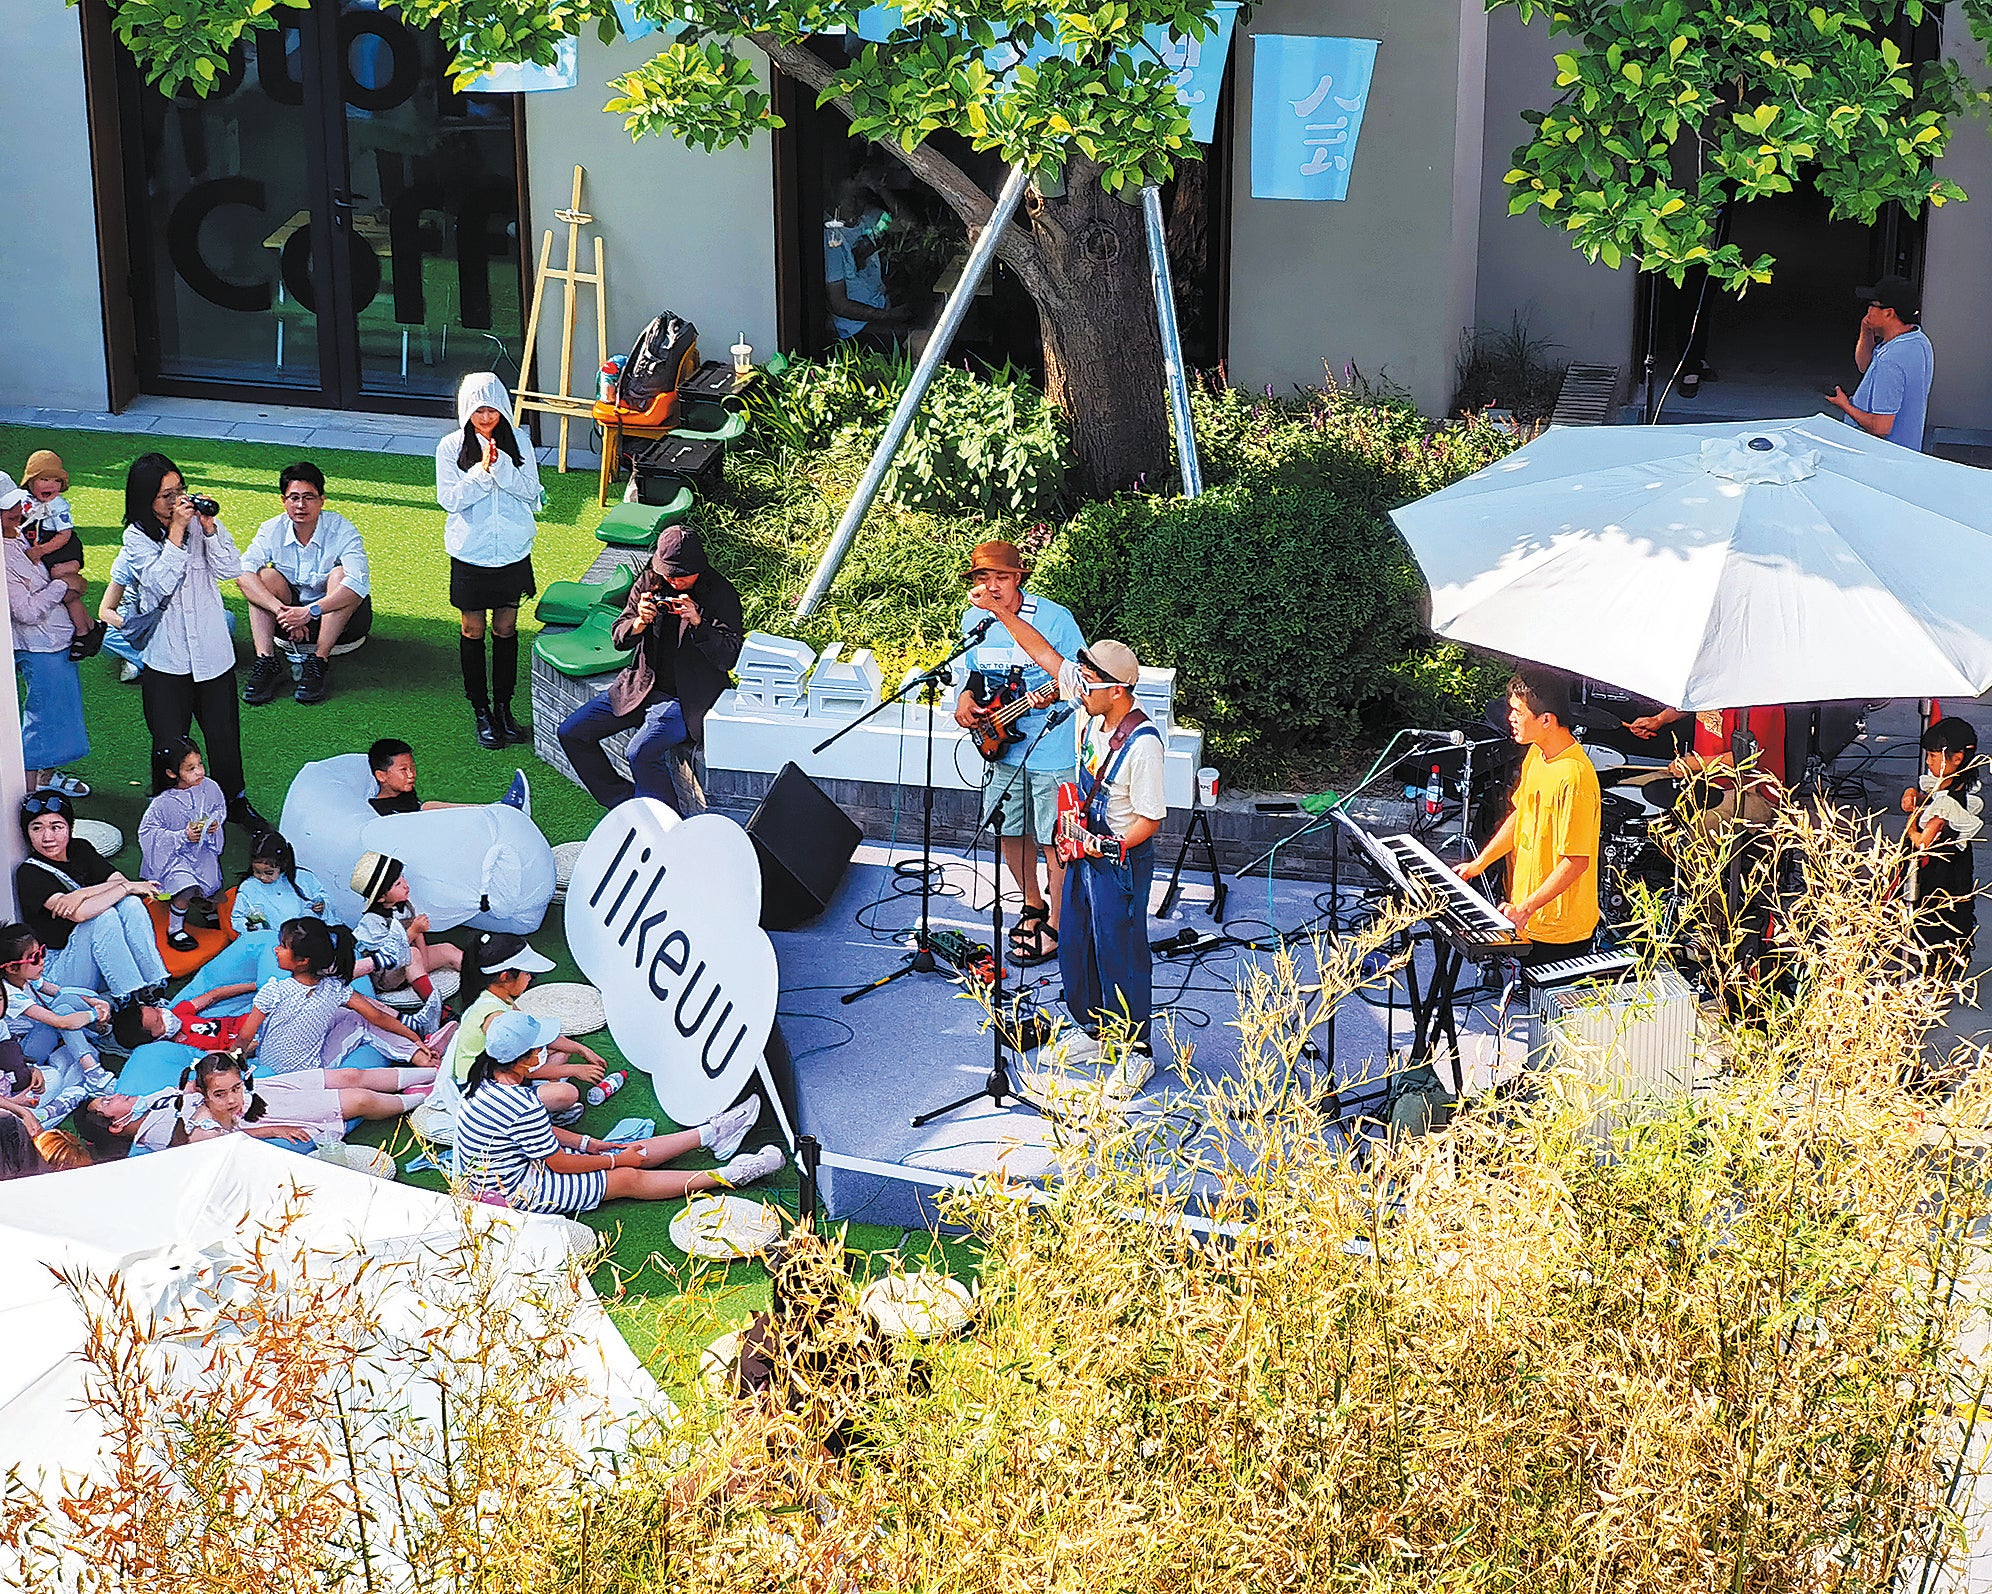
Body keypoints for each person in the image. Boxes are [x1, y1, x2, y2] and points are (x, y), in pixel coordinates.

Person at [966, 597, 1167, 1049]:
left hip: (1119, 860)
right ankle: (1093, 1030)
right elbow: (1044, 654)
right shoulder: (1091, 701)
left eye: (1091, 682)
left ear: (1118, 690)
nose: (1080, 687)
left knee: (1120, 953)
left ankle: (1135, 1048)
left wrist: (1106, 847)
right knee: (1077, 945)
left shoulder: (1144, 745)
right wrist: (1003, 614)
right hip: (1079, 851)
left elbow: (1151, 820)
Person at [455, 1010, 780, 1215]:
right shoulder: (521, 1102)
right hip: (517, 1192)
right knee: (626, 1175)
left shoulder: (486, 1080)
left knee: (622, 1150)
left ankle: (710, 1134)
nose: (548, 1051)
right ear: (524, 1059)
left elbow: (536, 1136)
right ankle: (726, 1176)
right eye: (542, 1048)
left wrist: (588, 1144)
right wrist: (613, 1161)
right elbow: (558, 1163)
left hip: (515, 1166)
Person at [952, 540, 1085, 967]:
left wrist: (1055, 696)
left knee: (1056, 840)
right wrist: (964, 700)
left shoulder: (1055, 618)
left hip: (1051, 750)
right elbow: (970, 673)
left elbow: (1078, 677)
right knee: (1009, 830)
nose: (991, 587)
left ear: (1019, 579)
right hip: (1001, 747)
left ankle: (1060, 924)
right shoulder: (972, 619)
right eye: (983, 578)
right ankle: (1032, 903)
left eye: (1001, 578)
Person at [557, 526, 744, 815]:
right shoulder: (649, 581)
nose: (674, 581)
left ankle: (664, 823)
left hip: (687, 699)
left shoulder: (720, 593)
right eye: (669, 574)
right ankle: (624, 802)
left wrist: (699, 623)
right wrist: (638, 623)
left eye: (682, 575)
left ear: (698, 569)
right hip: (640, 686)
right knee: (571, 732)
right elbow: (619, 636)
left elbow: (729, 656)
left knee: (640, 751)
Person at [120, 452, 258, 829]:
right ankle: (168, 809)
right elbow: (159, 582)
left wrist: (210, 527)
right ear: (145, 499)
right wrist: (178, 533)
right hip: (167, 659)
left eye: (180, 490)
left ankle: (234, 801)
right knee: (168, 743)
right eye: (167, 495)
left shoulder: (199, 524)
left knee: (224, 737)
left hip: (212, 655)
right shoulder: (135, 537)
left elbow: (232, 568)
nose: (178, 501)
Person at [410, 933, 618, 1148]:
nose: (530, 978)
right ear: (505, 976)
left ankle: (538, 1100)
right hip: (485, 1089)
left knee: (562, 1052)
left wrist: (580, 1048)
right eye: (527, 973)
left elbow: (534, 1036)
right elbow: (522, 1068)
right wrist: (574, 1070)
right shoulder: (495, 1018)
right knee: (567, 1094)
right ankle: (537, 1113)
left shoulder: (495, 999)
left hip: (503, 1071)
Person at [1459, 675, 1603, 964]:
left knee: (1547, 1007)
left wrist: (1526, 908)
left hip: (1559, 930)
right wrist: (1479, 864)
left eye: (1518, 712)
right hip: (1528, 915)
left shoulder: (1575, 778)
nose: (1510, 718)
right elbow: (1520, 816)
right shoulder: (1536, 754)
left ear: (1547, 719)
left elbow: (1575, 861)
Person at [436, 371, 543, 750]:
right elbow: (449, 500)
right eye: (478, 410)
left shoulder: (520, 442)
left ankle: (504, 709)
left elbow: (532, 492)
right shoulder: (450, 447)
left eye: (492, 409)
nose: (485, 417)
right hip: (471, 553)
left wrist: (501, 469)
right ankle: (480, 711)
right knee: (471, 631)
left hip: (512, 551)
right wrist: (482, 473)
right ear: (466, 409)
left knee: (506, 629)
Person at [239, 461, 374, 707]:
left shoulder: (342, 529)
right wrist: (284, 612)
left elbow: (358, 584)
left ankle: (319, 662)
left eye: (309, 497)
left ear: (322, 500)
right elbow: (242, 572)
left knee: (342, 575)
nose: (301, 505)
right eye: (294, 498)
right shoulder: (271, 529)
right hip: (287, 621)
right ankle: (266, 661)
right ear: (283, 500)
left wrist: (309, 612)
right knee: (263, 578)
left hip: (340, 621)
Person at [231, 918, 438, 1077]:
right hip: (305, 1073)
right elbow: (377, 1017)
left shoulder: (273, 990)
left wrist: (232, 1065)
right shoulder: (335, 988)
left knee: (347, 1015)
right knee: (359, 1019)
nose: (276, 949)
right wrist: (415, 1038)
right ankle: (418, 1054)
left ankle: (422, 1057)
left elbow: (243, 1038)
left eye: (283, 946)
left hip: (278, 1066)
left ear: (303, 960)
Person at [15, 792, 169, 1003]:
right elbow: (80, 914)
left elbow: (119, 881)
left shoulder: (80, 849)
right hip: (61, 971)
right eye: (36, 828)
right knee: (102, 917)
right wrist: (123, 888)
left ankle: (154, 986)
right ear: (28, 834)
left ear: (69, 827)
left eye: (56, 827)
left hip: (100, 959)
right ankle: (129, 1000)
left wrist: (80, 894)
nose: (47, 837)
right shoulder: (29, 873)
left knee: (130, 903)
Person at [5, 480, 92, 796]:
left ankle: (45, 780)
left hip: (55, 641)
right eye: (9, 508)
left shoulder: (17, 535)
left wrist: (71, 587)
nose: (19, 510)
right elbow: (26, 611)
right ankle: (28, 799)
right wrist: (66, 589)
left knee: (58, 716)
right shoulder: (4, 552)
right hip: (36, 645)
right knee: (41, 722)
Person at [180, 1050, 433, 1149]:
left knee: (350, 1075)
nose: (230, 1099)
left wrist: (228, 1089)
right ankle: (424, 1097)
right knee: (360, 1100)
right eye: (220, 1094)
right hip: (271, 1114)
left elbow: (191, 1084)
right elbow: (231, 1136)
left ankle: (436, 1073)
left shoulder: (223, 1091)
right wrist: (274, 1129)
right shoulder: (203, 1118)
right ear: (206, 1095)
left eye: (235, 1088)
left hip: (268, 1092)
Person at [0, 926, 117, 1128]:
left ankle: (101, 1034)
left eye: (42, 953)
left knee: (68, 998)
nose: (42, 961)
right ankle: (94, 1070)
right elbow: (61, 1022)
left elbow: (59, 992)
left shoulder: (25, 978)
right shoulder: (9, 994)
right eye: (34, 958)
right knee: (63, 1010)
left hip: (37, 1040)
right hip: (25, 1051)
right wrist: (94, 1013)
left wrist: (93, 1002)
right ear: (11, 968)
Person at [1903, 716, 1983, 981]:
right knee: (1945, 920)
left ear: (1957, 758)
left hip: (1941, 875)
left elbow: (1923, 841)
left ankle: (1935, 976)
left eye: (1934, 756)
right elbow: (1929, 795)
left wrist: (1912, 823)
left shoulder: (1947, 805)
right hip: (1953, 868)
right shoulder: (1954, 786)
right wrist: (1913, 794)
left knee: (1934, 923)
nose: (1929, 762)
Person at [1628, 704, 1787, 833]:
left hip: (1751, 792)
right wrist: (1659, 719)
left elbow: (1745, 758)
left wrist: (1693, 764)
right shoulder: (1712, 683)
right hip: (1700, 779)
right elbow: (1691, 702)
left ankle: (1694, 872)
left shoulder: (1762, 701)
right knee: (1626, 793)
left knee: (1702, 826)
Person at [351, 851, 459, 1031]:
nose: (406, 885)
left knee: (447, 949)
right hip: (387, 974)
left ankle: (482, 981)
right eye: (398, 884)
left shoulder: (405, 906)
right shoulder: (372, 922)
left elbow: (418, 937)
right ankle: (436, 1009)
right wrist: (414, 930)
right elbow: (389, 954)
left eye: (403, 879)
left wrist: (424, 961)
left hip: (411, 963)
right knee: (412, 953)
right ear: (381, 897)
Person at [139, 736, 227, 952]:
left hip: (202, 850)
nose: (199, 772)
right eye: (190, 768)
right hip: (176, 857)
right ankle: (175, 929)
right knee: (184, 889)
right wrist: (181, 836)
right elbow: (148, 832)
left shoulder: (210, 787)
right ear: (171, 773)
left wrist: (214, 822)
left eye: (199, 764)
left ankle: (207, 907)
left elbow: (219, 807)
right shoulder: (162, 803)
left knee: (209, 883)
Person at [1829, 275, 1933, 451]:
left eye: (1872, 305)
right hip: (1907, 450)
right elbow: (1865, 366)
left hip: (1879, 455)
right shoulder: (1918, 341)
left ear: (1889, 312)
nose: (1868, 310)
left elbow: (1881, 427)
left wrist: (1845, 405)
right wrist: (1866, 331)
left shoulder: (1891, 361)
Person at [19, 452, 100, 658]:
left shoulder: (58, 505)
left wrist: (41, 550)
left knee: (59, 580)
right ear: (30, 482)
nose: (51, 486)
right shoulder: (25, 501)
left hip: (64, 550)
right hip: (45, 546)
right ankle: (89, 629)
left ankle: (84, 632)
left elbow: (65, 534)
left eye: (56, 481)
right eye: (44, 479)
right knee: (64, 594)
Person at [824, 172, 915, 352]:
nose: (858, 203)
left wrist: (880, 189)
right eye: (850, 198)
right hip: (854, 328)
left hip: (881, 306)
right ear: (835, 201)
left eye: (861, 196)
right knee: (917, 339)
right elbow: (839, 304)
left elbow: (910, 225)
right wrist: (888, 316)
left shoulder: (867, 219)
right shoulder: (831, 238)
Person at [365, 737, 528, 817]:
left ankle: (499, 809)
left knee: (428, 806)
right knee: (427, 807)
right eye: (403, 770)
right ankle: (501, 810)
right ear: (381, 776)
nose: (411, 775)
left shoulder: (404, 793)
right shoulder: (378, 811)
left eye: (412, 767)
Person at [111, 979, 261, 1054]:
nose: (164, 1013)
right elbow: (229, 1054)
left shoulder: (179, 1013)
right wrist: (256, 1043)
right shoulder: (183, 1050)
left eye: (156, 1009)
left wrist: (256, 985)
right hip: (254, 1040)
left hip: (255, 1018)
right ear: (154, 1038)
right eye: (159, 1020)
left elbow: (213, 996)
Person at [231, 830, 331, 935]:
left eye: (269, 872)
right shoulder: (249, 887)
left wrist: (322, 906)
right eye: (257, 872)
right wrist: (250, 926)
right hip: (268, 940)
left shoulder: (304, 878)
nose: (263, 877)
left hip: (304, 939)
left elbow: (322, 898)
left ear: (282, 865)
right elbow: (238, 917)